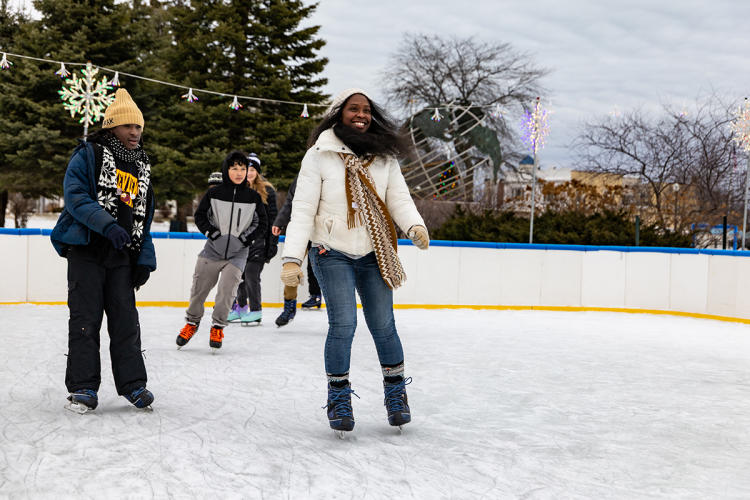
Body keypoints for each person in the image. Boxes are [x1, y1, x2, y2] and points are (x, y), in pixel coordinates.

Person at [280, 88, 430, 434]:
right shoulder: (319, 155)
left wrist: (414, 225)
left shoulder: (384, 157)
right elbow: (302, 209)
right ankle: (338, 398)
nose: (360, 115)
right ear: (339, 114)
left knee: (383, 325)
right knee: (344, 324)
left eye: (366, 110)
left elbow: (399, 198)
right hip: (330, 251)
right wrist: (292, 258)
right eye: (353, 109)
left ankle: (396, 395)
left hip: (374, 252)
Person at [50, 88, 157, 412]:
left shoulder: (142, 166)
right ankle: (83, 387)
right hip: (86, 251)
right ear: (112, 127)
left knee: (126, 322)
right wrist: (107, 225)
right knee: (85, 320)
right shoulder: (89, 155)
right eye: (128, 126)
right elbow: (76, 197)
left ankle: (134, 385)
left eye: (138, 127)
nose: (135, 132)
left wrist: (144, 260)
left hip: (122, 255)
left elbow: (144, 216)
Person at [176, 151, 268, 350]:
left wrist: (244, 239)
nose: (239, 172)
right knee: (198, 291)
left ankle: (218, 326)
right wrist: (213, 234)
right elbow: (200, 216)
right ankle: (192, 323)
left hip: (238, 254)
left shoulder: (253, 197)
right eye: (234, 168)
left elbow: (261, 224)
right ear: (227, 170)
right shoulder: (214, 193)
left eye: (243, 169)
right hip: (212, 251)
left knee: (227, 292)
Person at [227, 153, 278, 324]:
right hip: (241, 242)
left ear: (257, 171)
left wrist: (272, 244)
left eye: (252, 169)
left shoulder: (267, 191)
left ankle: (256, 310)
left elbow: (273, 220)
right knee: (238, 276)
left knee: (251, 275)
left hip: (259, 241)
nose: (249, 172)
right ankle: (241, 309)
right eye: (246, 169)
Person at [272, 175, 323, 328]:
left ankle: (333, 309)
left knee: (324, 269)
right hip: (300, 228)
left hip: (325, 231)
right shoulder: (302, 176)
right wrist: (280, 221)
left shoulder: (333, 174)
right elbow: (290, 201)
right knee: (290, 269)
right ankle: (289, 306)